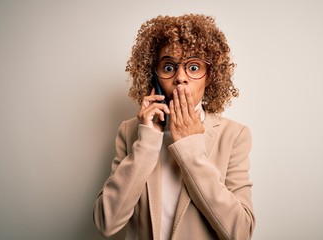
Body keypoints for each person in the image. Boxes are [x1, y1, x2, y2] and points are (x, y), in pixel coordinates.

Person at [93, 14, 255, 240]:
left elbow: (241, 232)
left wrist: (189, 149)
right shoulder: (130, 131)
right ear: (154, 75)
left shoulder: (234, 135)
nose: (180, 78)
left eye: (194, 67)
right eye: (169, 67)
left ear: (210, 76)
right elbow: (106, 223)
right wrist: (147, 142)